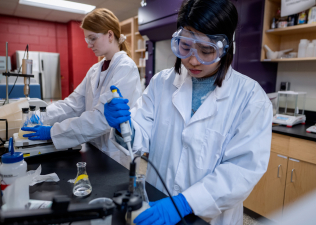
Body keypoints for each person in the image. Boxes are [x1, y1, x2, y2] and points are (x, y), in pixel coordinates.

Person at [103, 0, 272, 224]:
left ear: (225, 47)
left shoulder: (251, 98)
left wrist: (185, 202)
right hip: (158, 202)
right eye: (185, 46)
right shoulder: (161, 83)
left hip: (208, 218)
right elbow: (142, 131)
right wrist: (124, 127)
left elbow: (241, 171)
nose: (193, 59)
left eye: (207, 50)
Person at [22, 8, 142, 166]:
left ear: (110, 35)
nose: (89, 45)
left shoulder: (126, 68)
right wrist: (42, 115)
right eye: (87, 40)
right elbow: (72, 103)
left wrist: (53, 132)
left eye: (93, 38)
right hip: (94, 148)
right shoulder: (95, 70)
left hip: (116, 154)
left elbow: (101, 119)